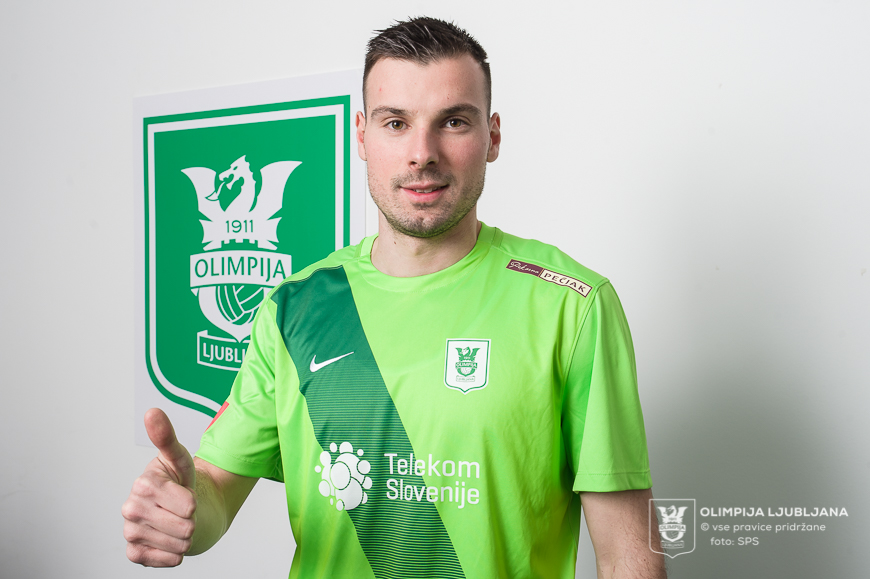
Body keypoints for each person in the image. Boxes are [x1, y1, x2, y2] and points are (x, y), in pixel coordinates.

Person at [122, 17, 667, 578]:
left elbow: (627, 556)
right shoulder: (295, 307)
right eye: (396, 123)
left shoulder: (571, 305)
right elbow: (214, 494)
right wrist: (182, 507)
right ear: (362, 135)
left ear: (493, 137)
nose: (422, 153)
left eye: (453, 121)